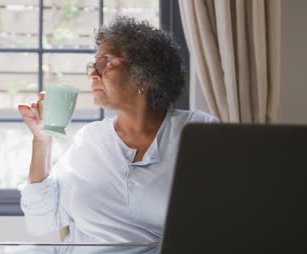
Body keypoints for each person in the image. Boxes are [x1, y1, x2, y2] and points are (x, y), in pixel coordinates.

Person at [17, 16, 218, 243]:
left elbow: (227, 217)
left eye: (105, 63)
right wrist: (42, 139)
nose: (93, 73)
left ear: (144, 73)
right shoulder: (90, 140)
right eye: (92, 66)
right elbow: (41, 221)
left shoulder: (199, 134)